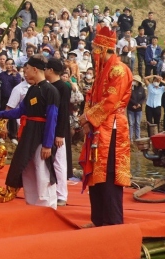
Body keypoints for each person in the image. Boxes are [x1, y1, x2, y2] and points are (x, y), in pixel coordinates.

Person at [79, 26, 133, 227]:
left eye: (95, 49)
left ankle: (112, 220)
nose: (93, 54)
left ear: (102, 49)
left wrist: (87, 118)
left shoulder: (118, 70)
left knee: (109, 174)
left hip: (112, 129)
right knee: (96, 173)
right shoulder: (102, 70)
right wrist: (86, 118)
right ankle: (98, 219)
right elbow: (92, 97)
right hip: (98, 128)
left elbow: (111, 101)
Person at [0, 57, 60, 207]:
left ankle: (48, 205)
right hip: (28, 131)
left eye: (26, 69)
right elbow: (21, 111)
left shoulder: (51, 90)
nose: (24, 73)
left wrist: (47, 144)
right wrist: (0, 115)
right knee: (27, 168)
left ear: (35, 70)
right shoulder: (32, 90)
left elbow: (52, 118)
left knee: (41, 168)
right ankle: (31, 203)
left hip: (41, 132)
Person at [43, 58, 74, 192]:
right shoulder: (47, 86)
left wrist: (60, 134)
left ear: (50, 70)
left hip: (59, 129)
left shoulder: (63, 87)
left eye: (45, 69)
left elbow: (63, 112)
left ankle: (61, 193)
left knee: (59, 161)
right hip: (48, 127)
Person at [127, 75, 145, 141]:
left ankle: (137, 138)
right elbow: (129, 97)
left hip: (139, 109)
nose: (133, 82)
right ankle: (130, 138)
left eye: (134, 81)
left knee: (137, 124)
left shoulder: (141, 89)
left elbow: (143, 98)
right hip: (130, 108)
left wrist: (139, 104)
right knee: (131, 124)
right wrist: (135, 104)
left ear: (137, 82)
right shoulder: (129, 88)